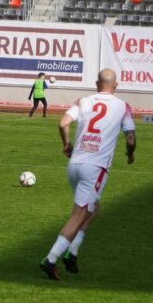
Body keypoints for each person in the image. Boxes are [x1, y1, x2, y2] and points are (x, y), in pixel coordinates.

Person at [39, 68, 136, 280]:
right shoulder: (123, 106)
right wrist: (130, 155)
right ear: (116, 85)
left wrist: (66, 144)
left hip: (75, 165)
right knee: (79, 213)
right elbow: (130, 138)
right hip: (96, 167)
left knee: (93, 208)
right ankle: (51, 259)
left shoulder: (83, 101)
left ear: (96, 83)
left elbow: (63, 123)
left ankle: (71, 254)